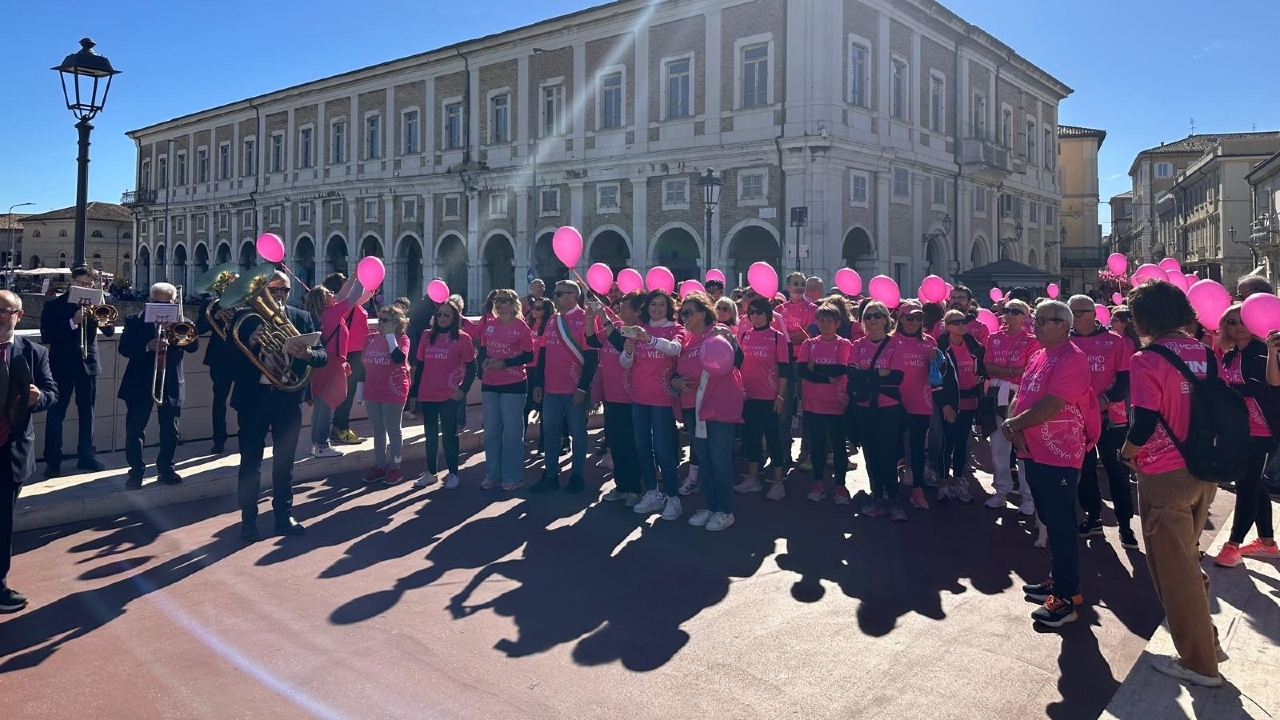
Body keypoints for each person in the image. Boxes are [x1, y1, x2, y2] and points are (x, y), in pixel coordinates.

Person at [1118, 280, 1224, 686]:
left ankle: (1199, 663)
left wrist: (1125, 453)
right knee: (1186, 561)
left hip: (1164, 472)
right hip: (1204, 470)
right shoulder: (1204, 352)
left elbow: (1143, 420)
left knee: (1173, 572)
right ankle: (1208, 641)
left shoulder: (1147, 359)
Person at [1003, 299, 1094, 629]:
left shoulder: (1072, 358)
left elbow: (1053, 404)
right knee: (1049, 518)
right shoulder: (1040, 355)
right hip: (1033, 450)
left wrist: (1012, 426)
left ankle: (1067, 598)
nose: (1035, 324)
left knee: (1062, 523)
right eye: (1036, 319)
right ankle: (1058, 580)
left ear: (1062, 325)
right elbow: (1021, 395)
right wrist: (1012, 422)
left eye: (1043, 320)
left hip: (1059, 453)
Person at [230, 271, 328, 541]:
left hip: (287, 398)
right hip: (254, 399)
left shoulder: (301, 317)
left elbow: (322, 356)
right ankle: (248, 521)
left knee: (285, 463)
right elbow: (226, 357)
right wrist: (249, 342)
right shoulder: (245, 318)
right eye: (273, 290)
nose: (279, 296)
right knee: (250, 463)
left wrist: (307, 353)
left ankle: (284, 516)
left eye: (283, 291)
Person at [0, 291, 58, 612]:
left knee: (2, 521)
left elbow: (53, 392)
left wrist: (39, 398)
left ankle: (0, 584)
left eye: (4, 310)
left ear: (18, 316)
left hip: (11, 450)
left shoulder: (34, 352)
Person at [1067, 295, 1136, 548]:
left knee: (1116, 470)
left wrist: (1105, 400)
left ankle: (1125, 524)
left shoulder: (1115, 341)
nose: (1076, 317)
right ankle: (1093, 517)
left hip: (1111, 416)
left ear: (1094, 313)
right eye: (1072, 312)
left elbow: (1126, 379)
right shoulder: (1067, 342)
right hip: (1077, 417)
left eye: (1081, 312)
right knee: (1084, 470)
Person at [1213, 305, 1280, 566]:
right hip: (1241, 431)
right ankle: (1267, 542)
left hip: (1266, 429)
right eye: (1230, 322)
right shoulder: (1230, 357)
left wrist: (1220, 392)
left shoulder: (1263, 351)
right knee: (1254, 482)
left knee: (1247, 483)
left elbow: (1255, 386)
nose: (1237, 326)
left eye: (1242, 320)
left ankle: (1233, 544)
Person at [673, 292, 744, 531]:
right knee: (703, 459)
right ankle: (711, 506)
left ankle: (725, 510)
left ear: (703, 313)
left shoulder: (718, 333)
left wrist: (730, 340)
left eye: (688, 313)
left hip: (718, 407)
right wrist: (676, 383)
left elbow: (737, 358)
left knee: (720, 459)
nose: (684, 317)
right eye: (682, 313)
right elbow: (677, 372)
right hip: (694, 409)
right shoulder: (687, 341)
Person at [118, 283, 200, 488]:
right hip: (140, 381)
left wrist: (174, 330)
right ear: (149, 301)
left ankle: (166, 468)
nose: (163, 307)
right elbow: (124, 348)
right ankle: (136, 471)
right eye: (157, 303)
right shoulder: (135, 320)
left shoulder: (184, 322)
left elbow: (193, 347)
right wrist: (148, 345)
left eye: (167, 303)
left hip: (171, 382)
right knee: (135, 429)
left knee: (170, 430)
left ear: (174, 303)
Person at [40, 266, 115, 476]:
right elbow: (47, 336)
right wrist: (73, 322)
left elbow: (109, 332)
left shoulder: (97, 303)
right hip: (61, 365)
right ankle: (53, 461)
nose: (86, 288)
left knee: (87, 413)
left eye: (89, 285)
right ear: (72, 282)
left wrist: (101, 311)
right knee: (56, 413)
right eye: (82, 284)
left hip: (88, 364)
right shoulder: (54, 305)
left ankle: (87, 456)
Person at [530, 281, 600, 494]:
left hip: (574, 389)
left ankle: (577, 475)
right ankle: (550, 474)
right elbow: (543, 353)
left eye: (558, 294)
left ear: (572, 296)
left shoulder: (586, 320)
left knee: (577, 433)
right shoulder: (553, 320)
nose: (555, 297)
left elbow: (591, 356)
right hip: (551, 388)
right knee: (550, 431)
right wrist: (538, 383)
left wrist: (582, 388)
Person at [623, 289, 686, 519]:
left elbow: (674, 349)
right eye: (653, 305)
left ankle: (673, 497)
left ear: (668, 307)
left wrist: (649, 339)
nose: (656, 309)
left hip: (661, 399)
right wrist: (628, 352)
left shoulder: (675, 329)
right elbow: (625, 363)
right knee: (642, 447)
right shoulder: (639, 328)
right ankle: (652, 492)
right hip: (638, 397)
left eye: (661, 305)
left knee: (663, 449)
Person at [850, 301, 907, 518]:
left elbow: (897, 376)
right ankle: (876, 497)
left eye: (877, 316)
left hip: (888, 407)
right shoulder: (857, 345)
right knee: (870, 453)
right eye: (868, 316)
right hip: (864, 407)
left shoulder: (896, 345)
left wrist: (867, 374)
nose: (872, 320)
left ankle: (892, 498)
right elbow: (853, 374)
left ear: (885, 319)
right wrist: (880, 373)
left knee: (888, 453)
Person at [586, 292, 644, 504]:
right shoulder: (616, 325)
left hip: (631, 397)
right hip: (611, 396)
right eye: (621, 305)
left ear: (638, 311)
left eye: (627, 306)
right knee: (616, 443)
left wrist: (605, 317)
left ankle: (634, 488)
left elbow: (620, 345)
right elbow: (593, 339)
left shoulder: (640, 330)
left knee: (630, 444)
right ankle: (621, 485)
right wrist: (591, 319)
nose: (621, 309)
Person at [414, 298, 476, 490]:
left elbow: (472, 367)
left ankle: (453, 473)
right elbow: (420, 365)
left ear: (455, 317)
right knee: (430, 434)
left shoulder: (463, 338)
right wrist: (414, 393)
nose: (442, 317)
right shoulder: (426, 336)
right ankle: (431, 472)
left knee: (449, 435)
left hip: (449, 394)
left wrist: (462, 390)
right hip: (427, 393)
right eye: (439, 314)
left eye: (447, 314)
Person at [734, 296, 792, 500]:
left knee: (773, 438)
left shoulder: (777, 337)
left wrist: (780, 397)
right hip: (748, 396)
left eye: (760, 312)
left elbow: (784, 370)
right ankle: (752, 479)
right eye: (752, 312)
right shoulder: (744, 336)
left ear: (768, 314)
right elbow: (738, 365)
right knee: (751, 438)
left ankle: (777, 482)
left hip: (769, 396)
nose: (756, 316)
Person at [983, 299, 1039, 512]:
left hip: (1020, 396)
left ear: (1025, 316)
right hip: (996, 394)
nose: (1010, 314)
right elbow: (988, 366)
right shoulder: (994, 337)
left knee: (1023, 446)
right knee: (998, 445)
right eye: (1006, 310)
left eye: (1016, 311)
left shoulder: (1031, 340)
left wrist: (1005, 370)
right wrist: (1011, 371)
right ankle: (1001, 491)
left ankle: (1028, 496)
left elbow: (1029, 370)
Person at [477, 288, 535, 491]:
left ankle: (513, 476)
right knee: (492, 431)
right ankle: (493, 474)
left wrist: (505, 363)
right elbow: (482, 349)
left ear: (513, 304)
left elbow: (528, 356)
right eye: (496, 301)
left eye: (503, 300)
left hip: (514, 384)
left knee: (511, 433)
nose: (498, 304)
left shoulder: (521, 327)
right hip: (490, 383)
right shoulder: (490, 325)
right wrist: (483, 362)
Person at [797, 304, 853, 504]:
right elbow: (802, 370)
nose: (825, 324)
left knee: (838, 447)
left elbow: (841, 370)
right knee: (818, 446)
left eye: (829, 320)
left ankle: (840, 485)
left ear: (837, 323)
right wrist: (825, 377)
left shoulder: (844, 344)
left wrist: (816, 369)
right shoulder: (808, 344)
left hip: (837, 404)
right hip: (813, 404)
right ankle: (818, 483)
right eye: (822, 320)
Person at [935, 309, 984, 504]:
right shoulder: (940, 348)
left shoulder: (973, 345)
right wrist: (945, 405)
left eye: (963, 321)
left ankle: (958, 480)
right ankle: (944, 482)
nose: (961, 325)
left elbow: (981, 370)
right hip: (950, 403)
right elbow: (935, 380)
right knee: (947, 442)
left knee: (962, 442)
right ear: (947, 326)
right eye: (956, 322)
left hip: (969, 401)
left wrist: (980, 379)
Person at [892, 300, 937, 510]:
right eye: (909, 317)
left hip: (921, 403)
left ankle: (917, 490)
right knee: (892, 447)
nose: (914, 322)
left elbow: (936, 375)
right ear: (900, 318)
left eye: (919, 318)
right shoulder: (890, 341)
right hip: (893, 403)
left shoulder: (930, 343)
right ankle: (889, 490)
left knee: (918, 449)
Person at [358, 307, 411, 486]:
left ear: (396, 324)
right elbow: (363, 367)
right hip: (372, 391)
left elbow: (398, 358)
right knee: (378, 430)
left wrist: (390, 337)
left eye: (385, 320)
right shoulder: (370, 339)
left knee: (393, 430)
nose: (380, 323)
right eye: (380, 319)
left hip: (393, 391)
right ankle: (379, 465)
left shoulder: (402, 339)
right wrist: (360, 392)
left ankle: (395, 467)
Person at [323, 272, 373, 446]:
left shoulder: (350, 305)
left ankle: (339, 427)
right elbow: (363, 293)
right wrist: (361, 277)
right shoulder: (343, 305)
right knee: (346, 393)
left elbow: (368, 293)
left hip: (357, 351)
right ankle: (341, 428)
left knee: (349, 392)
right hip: (350, 352)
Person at [305, 286, 348, 459]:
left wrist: (353, 278)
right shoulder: (333, 312)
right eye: (329, 293)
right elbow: (351, 297)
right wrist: (360, 279)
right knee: (328, 404)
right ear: (324, 300)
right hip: (332, 362)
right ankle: (323, 444)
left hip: (320, 363)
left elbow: (342, 295)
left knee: (320, 404)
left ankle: (316, 443)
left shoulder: (319, 314)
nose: (333, 294)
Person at [196, 286, 235, 454]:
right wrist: (215, 316)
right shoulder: (211, 304)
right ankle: (219, 439)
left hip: (245, 356)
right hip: (219, 357)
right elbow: (198, 329)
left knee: (249, 398)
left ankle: (248, 434)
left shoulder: (247, 301)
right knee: (219, 400)